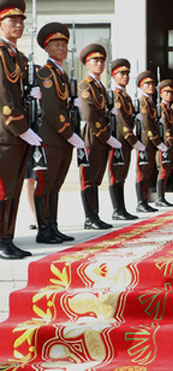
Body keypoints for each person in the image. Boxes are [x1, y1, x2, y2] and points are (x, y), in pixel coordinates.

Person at [35, 22, 85, 243]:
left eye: (64, 45)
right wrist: (69, 133)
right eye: (57, 45)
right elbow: (52, 109)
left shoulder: (62, 74)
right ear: (47, 48)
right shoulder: (45, 72)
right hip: (52, 138)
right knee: (46, 184)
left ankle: (53, 226)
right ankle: (43, 229)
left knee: (56, 184)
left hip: (63, 139)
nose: (62, 49)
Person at [0, 0, 43, 259]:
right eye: (12, 20)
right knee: (4, 188)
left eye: (21, 21)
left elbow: (19, 92)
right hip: (6, 133)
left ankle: (8, 237)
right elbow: (4, 96)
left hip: (20, 134)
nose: (18, 24)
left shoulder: (20, 57)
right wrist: (20, 126)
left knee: (14, 189)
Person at [78, 43, 122, 230]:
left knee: (96, 178)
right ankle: (90, 217)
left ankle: (95, 215)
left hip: (101, 139)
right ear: (87, 64)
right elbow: (90, 116)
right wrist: (107, 136)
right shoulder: (85, 85)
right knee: (88, 178)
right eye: (95, 60)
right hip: (92, 138)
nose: (99, 63)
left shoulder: (100, 87)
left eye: (102, 60)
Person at [108, 58, 146, 221]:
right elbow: (122, 123)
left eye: (127, 74)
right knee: (116, 175)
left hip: (125, 143)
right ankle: (117, 209)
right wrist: (133, 140)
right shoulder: (116, 96)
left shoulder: (126, 96)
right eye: (121, 74)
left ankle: (122, 208)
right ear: (114, 76)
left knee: (122, 175)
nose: (125, 76)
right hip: (118, 141)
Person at [135, 70, 163, 213]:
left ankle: (144, 200)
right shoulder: (143, 102)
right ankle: (141, 201)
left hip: (151, 142)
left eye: (152, 84)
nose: (151, 86)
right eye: (147, 84)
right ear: (141, 85)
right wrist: (157, 141)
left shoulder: (151, 102)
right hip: (145, 141)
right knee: (142, 171)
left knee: (148, 171)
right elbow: (147, 124)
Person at [155, 79, 173, 207]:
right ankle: (159, 197)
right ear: (161, 94)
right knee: (163, 170)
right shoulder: (160, 109)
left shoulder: (169, 109)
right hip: (163, 145)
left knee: (167, 170)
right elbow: (165, 128)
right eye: (166, 92)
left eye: (171, 93)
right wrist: (172, 142)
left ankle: (162, 196)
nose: (170, 95)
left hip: (169, 145)